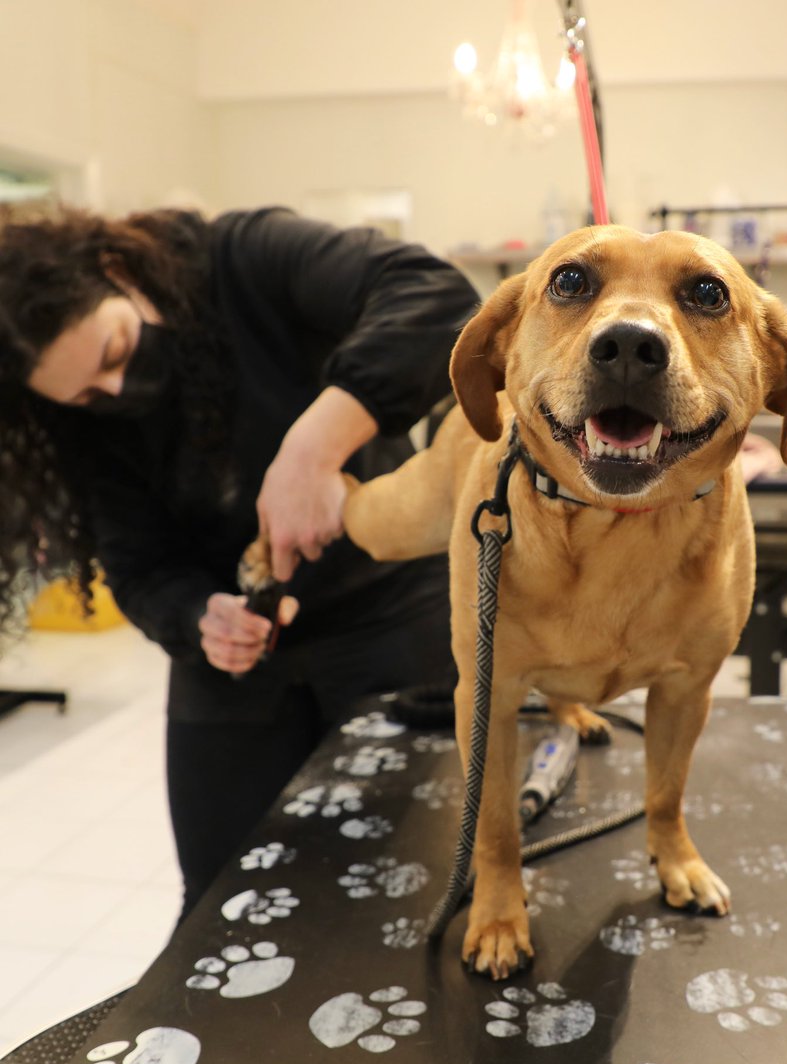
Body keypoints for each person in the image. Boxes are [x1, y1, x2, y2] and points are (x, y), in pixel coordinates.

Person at [0, 204, 480, 916]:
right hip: (235, 656)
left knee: (413, 877)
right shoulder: (84, 421)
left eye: (116, 350)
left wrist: (313, 446)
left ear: (117, 271)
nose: (120, 389)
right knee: (222, 896)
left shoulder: (249, 256)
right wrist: (199, 618)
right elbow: (137, 567)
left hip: (388, 611)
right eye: (88, 394)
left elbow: (437, 297)